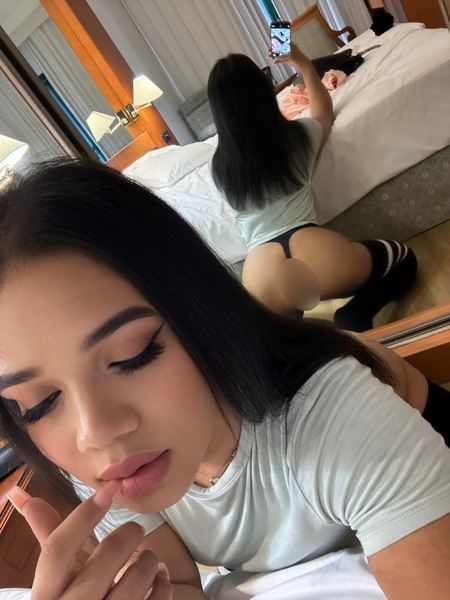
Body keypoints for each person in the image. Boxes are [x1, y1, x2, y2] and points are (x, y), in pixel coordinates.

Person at [1, 159, 450, 600]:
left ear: (201, 307)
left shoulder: (334, 421)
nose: (94, 433)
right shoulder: (105, 465)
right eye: (39, 404)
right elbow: (178, 584)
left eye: (131, 356)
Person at [207, 45, 418, 332]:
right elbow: (323, 112)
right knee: (404, 259)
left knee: (283, 329)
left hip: (261, 279)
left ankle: (312, 335)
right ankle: (355, 313)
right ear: (264, 94)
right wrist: (304, 64)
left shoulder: (219, 169)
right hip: (319, 259)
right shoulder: (295, 137)